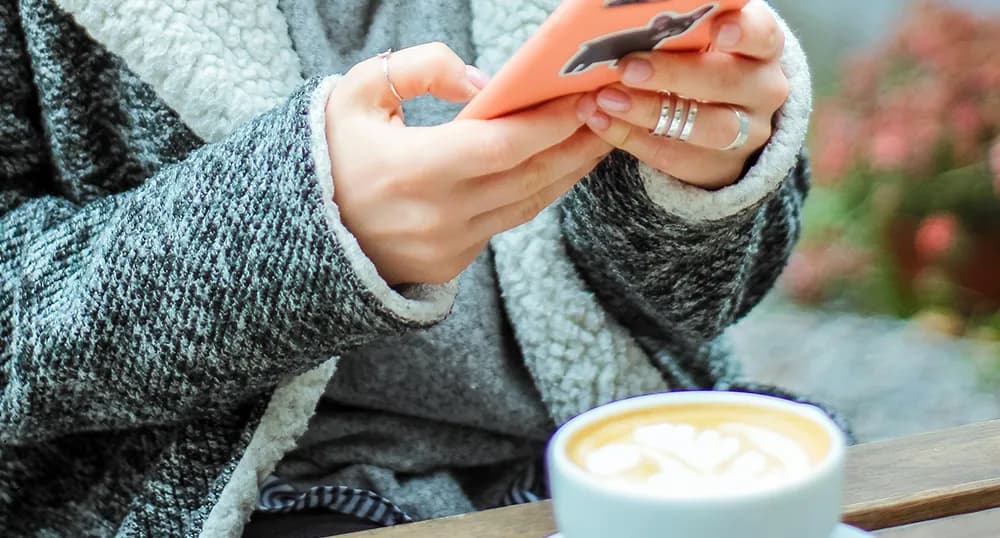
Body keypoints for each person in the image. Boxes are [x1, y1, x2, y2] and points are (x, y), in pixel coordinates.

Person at [0, 0, 814, 536]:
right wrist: (296, 230)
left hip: (625, 458)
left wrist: (705, 172)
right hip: (239, 502)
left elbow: (716, 296)